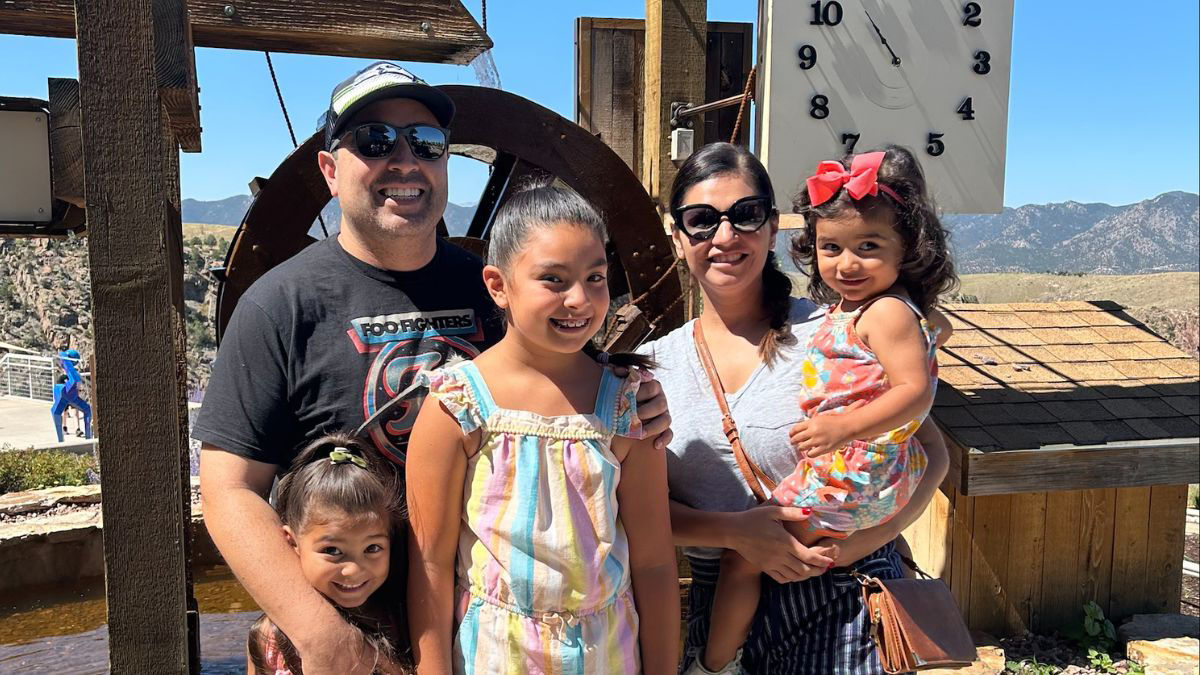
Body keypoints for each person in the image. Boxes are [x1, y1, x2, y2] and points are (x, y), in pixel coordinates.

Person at [194, 62, 672, 673]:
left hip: (487, 634)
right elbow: (230, 492)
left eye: (425, 144)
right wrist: (326, 640)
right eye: (374, 142)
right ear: (330, 170)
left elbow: (572, 398)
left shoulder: (493, 290)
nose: (404, 161)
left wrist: (638, 399)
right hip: (348, 615)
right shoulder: (279, 305)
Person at [638, 142, 950, 674]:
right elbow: (638, 514)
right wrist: (735, 533)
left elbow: (932, 454)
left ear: (772, 226)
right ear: (676, 232)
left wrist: (861, 545)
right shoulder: (650, 369)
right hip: (724, 603)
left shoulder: (840, 330)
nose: (726, 236)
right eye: (701, 220)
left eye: (746, 214)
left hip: (843, 591)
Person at [405, 186, 679, 674]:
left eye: (595, 277)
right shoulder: (457, 406)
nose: (579, 299)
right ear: (497, 285)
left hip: (609, 655)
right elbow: (429, 564)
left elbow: (655, 562)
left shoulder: (626, 407)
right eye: (553, 279)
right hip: (495, 656)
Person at [246, 433, 407, 674]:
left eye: (372, 548)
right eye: (332, 551)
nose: (353, 569)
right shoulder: (270, 638)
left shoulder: (402, 622)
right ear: (292, 542)